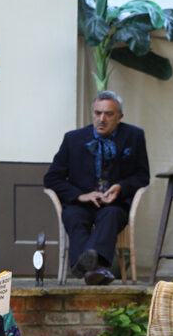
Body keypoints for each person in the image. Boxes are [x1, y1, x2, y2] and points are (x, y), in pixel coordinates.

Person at [43, 91, 149, 285]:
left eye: (109, 114)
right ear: (92, 113)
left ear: (120, 117)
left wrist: (120, 187)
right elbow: (51, 178)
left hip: (113, 204)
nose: (102, 119)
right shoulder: (72, 139)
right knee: (73, 216)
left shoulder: (134, 136)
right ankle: (95, 268)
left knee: (111, 216)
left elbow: (142, 176)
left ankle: (85, 264)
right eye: (98, 113)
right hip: (80, 203)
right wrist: (80, 195)